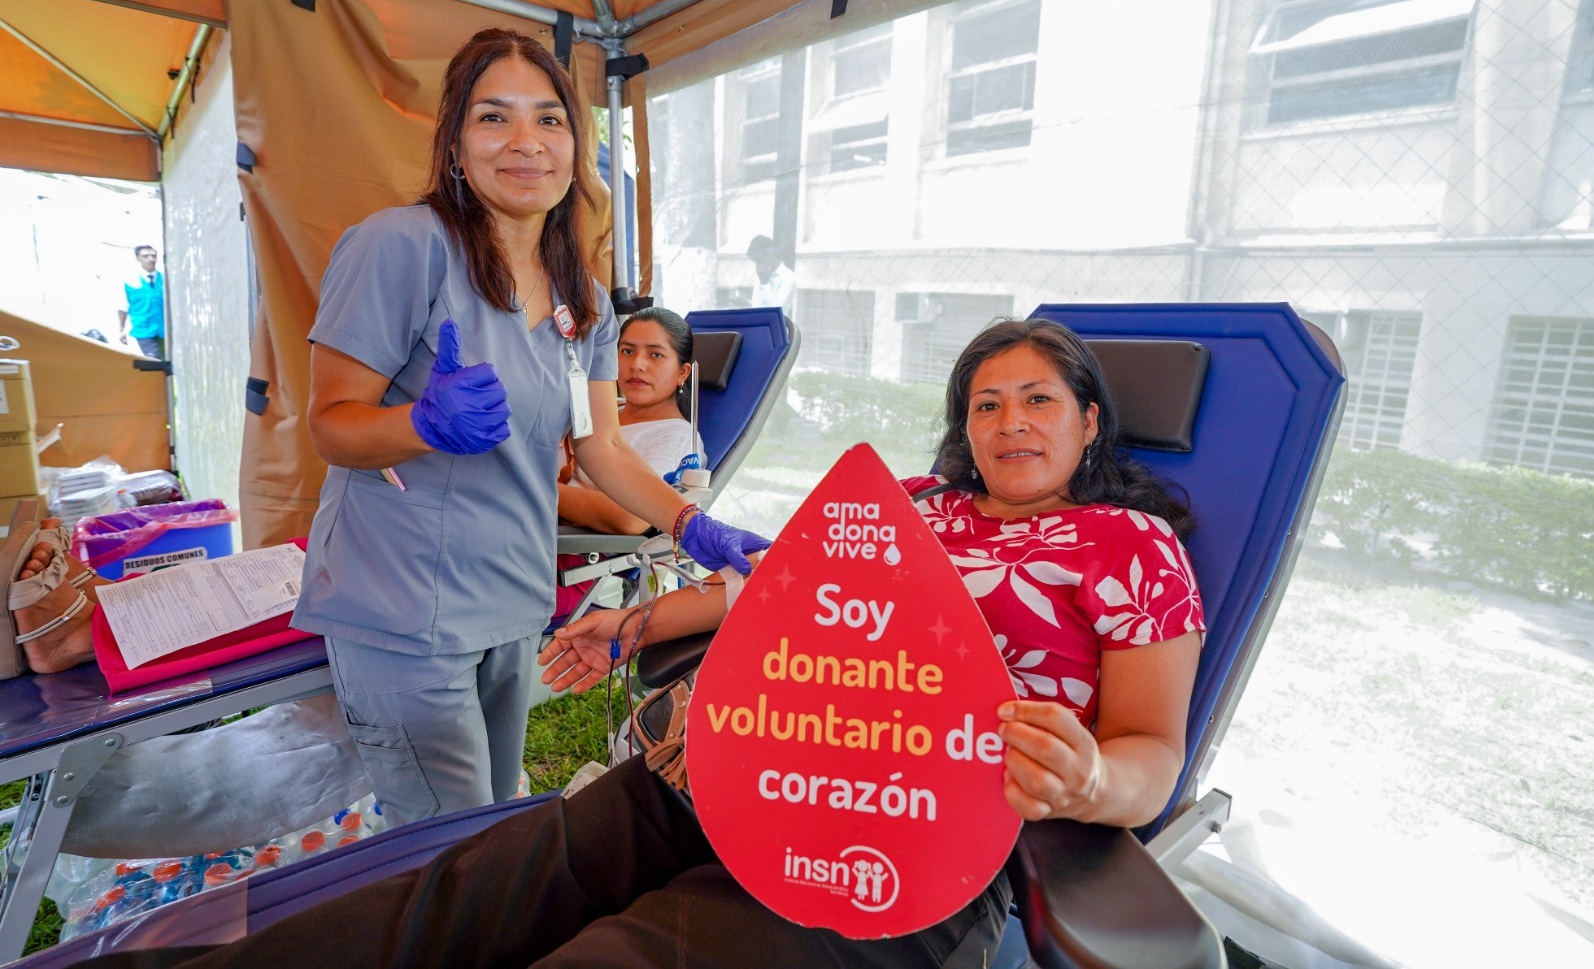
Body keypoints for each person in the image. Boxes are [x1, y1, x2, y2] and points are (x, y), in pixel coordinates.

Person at [73, 318, 1202, 968]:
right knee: (462, 899)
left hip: (908, 839)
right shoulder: (903, 504)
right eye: (987, 403)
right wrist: (631, 620)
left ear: (1089, 420)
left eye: (1038, 400)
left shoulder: (1131, 550)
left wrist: (1093, 774)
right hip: (734, 768)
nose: (1009, 422)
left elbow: (1149, 750)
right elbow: (764, 586)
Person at [285, 27, 768, 827]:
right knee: (447, 841)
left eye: (549, 120)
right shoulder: (402, 246)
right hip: (403, 602)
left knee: (492, 818)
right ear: (454, 143)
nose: (525, 143)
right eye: (493, 118)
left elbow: (602, 448)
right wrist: (423, 422)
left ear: (576, 147)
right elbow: (332, 427)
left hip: (512, 598)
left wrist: (690, 524)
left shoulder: (587, 297)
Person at [558, 306, 703, 534]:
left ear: (683, 373)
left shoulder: (676, 437)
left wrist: (542, 493)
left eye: (655, 354)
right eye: (627, 351)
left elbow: (632, 518)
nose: (637, 364)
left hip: (572, 548)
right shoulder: (608, 407)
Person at [118, 244, 165, 358]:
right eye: (146, 256)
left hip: (164, 329)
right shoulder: (130, 281)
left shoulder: (165, 279)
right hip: (143, 330)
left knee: (169, 362)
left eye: (153, 256)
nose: (151, 259)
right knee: (154, 360)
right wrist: (121, 330)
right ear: (138, 258)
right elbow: (123, 307)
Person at [746, 234, 795, 314]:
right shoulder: (760, 276)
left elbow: (776, 311)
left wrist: (765, 284)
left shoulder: (788, 277)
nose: (758, 265)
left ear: (769, 254)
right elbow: (756, 307)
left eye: (759, 260)